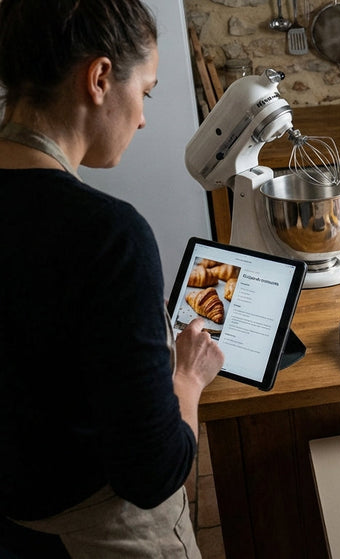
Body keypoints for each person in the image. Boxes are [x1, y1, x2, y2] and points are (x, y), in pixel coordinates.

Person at [0, 1, 225, 556]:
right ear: (100, 78)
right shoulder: (108, 236)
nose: (144, 117)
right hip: (96, 533)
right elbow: (153, 473)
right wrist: (187, 379)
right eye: (145, 92)